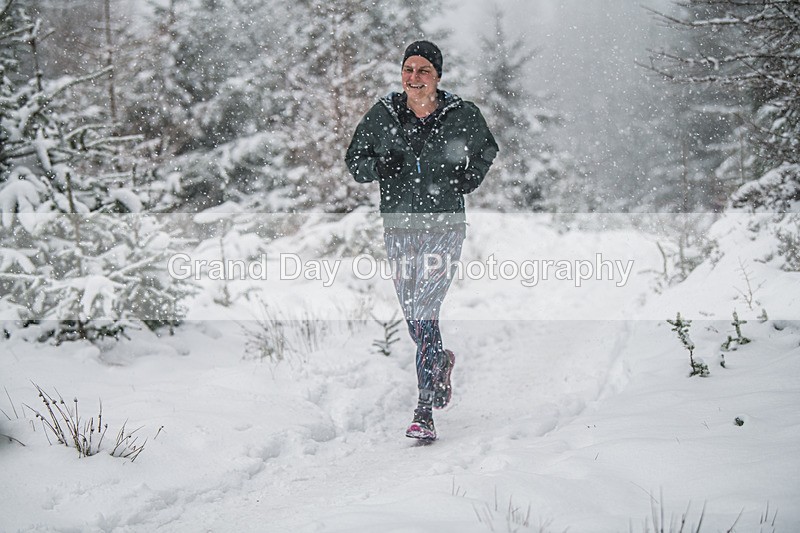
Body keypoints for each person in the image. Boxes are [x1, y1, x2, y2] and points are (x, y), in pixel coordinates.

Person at [345, 40, 498, 441]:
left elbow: (487, 149)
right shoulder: (383, 115)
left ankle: (424, 408)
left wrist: (469, 178)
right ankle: (439, 361)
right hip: (399, 227)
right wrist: (380, 165)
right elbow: (355, 162)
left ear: (437, 77)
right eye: (409, 69)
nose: (414, 77)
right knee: (413, 308)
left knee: (425, 307)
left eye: (423, 70)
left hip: (445, 226)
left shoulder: (461, 114)